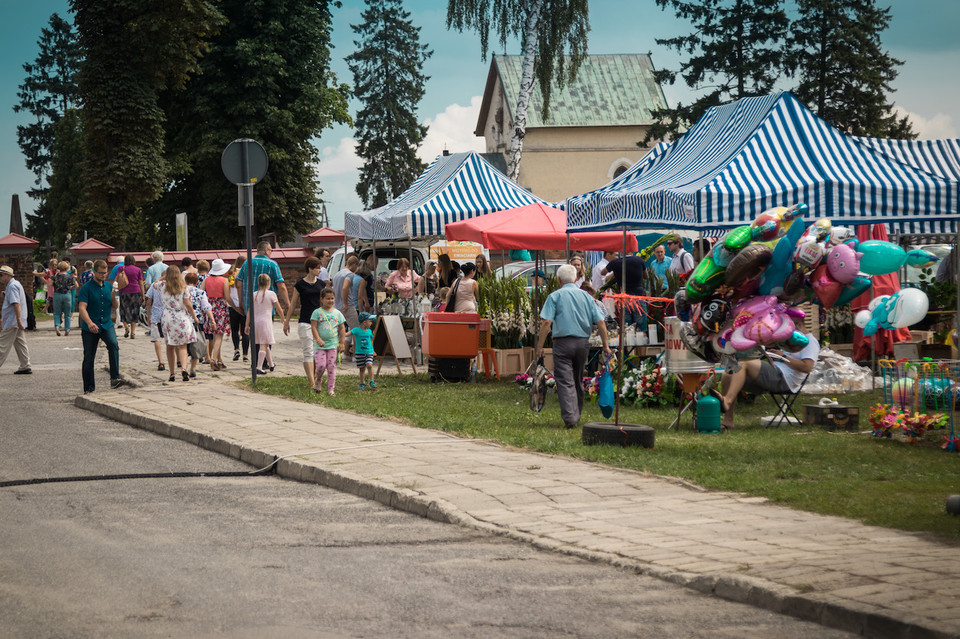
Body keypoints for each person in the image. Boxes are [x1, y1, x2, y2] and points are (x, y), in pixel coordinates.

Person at [536, 264, 611, 428]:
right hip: (582, 343)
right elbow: (600, 322)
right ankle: (576, 411)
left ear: (558, 280)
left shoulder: (555, 296)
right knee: (577, 379)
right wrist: (605, 345)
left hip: (562, 343)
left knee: (564, 380)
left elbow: (546, 322)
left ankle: (571, 418)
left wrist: (540, 346)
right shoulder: (586, 297)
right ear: (576, 278)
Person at [719, 333, 820, 429]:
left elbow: (807, 367)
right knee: (728, 373)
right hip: (775, 372)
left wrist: (783, 357)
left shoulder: (810, 342)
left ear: (798, 323)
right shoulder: (791, 337)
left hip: (784, 379)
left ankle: (727, 400)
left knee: (743, 364)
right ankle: (728, 421)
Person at [78, 259, 129, 390]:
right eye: (100, 273)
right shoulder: (86, 288)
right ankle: (89, 387)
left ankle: (115, 378)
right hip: (91, 326)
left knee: (113, 345)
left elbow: (115, 306)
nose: (103, 275)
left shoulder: (109, 286)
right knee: (89, 356)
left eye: (105, 273)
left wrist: (113, 297)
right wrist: (89, 323)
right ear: (94, 272)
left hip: (106, 324)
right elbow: (82, 308)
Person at [284, 256, 327, 387]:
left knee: (319, 351)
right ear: (310, 268)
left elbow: (326, 303)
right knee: (308, 351)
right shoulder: (300, 285)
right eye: (317, 268)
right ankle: (312, 382)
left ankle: (316, 376)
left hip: (319, 321)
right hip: (305, 321)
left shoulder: (321, 284)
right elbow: (293, 304)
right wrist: (287, 321)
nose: (320, 270)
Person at [159, 266, 199, 382]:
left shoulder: (162, 286)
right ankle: (184, 368)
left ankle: (172, 373)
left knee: (170, 346)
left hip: (168, 318)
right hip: (182, 317)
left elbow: (155, 283)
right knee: (183, 346)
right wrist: (194, 316)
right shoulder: (184, 288)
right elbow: (187, 304)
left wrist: (163, 277)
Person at [236, 241, 289, 319]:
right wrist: (287, 303)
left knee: (249, 330)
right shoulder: (273, 264)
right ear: (266, 251)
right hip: (267, 309)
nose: (271, 252)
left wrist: (240, 303)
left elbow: (239, 285)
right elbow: (281, 286)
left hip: (249, 306)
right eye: (271, 250)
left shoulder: (246, 263)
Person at [245, 273, 285, 374]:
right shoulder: (271, 294)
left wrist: (247, 324)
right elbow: (278, 308)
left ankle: (271, 364)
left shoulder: (254, 294)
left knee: (265, 343)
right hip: (266, 321)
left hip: (255, 322)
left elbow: (250, 310)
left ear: (258, 283)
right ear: (269, 283)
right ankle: (258, 367)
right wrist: (283, 318)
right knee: (264, 344)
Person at [310, 288, 346, 395]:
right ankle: (318, 380)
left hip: (332, 345)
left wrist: (342, 342)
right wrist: (318, 339)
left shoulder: (337, 313)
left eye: (332, 298)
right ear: (321, 299)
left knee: (331, 366)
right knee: (320, 366)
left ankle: (331, 389)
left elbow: (342, 328)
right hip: (320, 346)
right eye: (328, 299)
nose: (330, 301)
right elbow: (313, 327)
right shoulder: (317, 312)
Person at [0, 265, 32, 374]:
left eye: (1, 275)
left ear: (7, 275)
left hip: (12, 321)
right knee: (20, 343)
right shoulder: (14, 285)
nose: (0, 278)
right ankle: (25, 365)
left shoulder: (12, 286)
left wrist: (18, 320)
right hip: (16, 321)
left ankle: (25, 365)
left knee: (2, 344)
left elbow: (16, 304)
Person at [601, 254, 647, 329]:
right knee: (641, 326)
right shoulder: (639, 260)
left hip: (624, 299)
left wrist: (615, 271)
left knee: (627, 327)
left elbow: (602, 272)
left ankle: (627, 340)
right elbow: (646, 276)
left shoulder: (615, 262)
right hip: (639, 297)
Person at [184, 272, 214, 378]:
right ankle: (193, 368)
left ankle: (184, 367)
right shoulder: (200, 292)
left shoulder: (181, 291)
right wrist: (212, 319)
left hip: (184, 320)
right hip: (197, 321)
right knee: (195, 345)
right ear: (197, 282)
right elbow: (206, 307)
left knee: (184, 346)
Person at [226, 255, 249, 363]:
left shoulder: (230, 274)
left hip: (232, 305)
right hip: (244, 303)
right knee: (245, 330)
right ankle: (245, 354)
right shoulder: (246, 273)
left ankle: (236, 349)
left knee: (234, 329)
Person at [117, 254, 144, 339]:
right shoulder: (138, 269)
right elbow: (141, 283)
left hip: (124, 291)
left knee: (123, 310)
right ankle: (133, 332)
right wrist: (143, 295)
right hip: (135, 291)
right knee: (134, 311)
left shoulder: (121, 268)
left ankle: (126, 327)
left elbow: (118, 279)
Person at [144, 277, 168, 371]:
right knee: (169, 339)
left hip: (156, 314)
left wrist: (148, 315)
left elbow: (149, 301)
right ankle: (178, 360)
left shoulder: (156, 285)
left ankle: (161, 362)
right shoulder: (173, 285)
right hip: (168, 315)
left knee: (157, 339)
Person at [351, 312, 377, 389]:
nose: (371, 323)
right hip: (359, 352)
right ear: (364, 322)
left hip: (368, 352)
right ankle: (362, 383)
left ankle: (372, 381)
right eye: (370, 321)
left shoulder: (369, 331)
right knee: (362, 369)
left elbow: (371, 340)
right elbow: (347, 334)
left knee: (369, 365)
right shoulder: (356, 330)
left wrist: (373, 350)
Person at [52, 260, 77, 336]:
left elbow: (50, 283)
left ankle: (57, 326)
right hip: (67, 294)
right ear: (67, 268)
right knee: (67, 313)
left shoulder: (56, 276)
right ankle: (67, 329)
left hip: (57, 294)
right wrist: (70, 287)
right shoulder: (69, 276)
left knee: (57, 312)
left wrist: (55, 285)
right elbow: (77, 285)